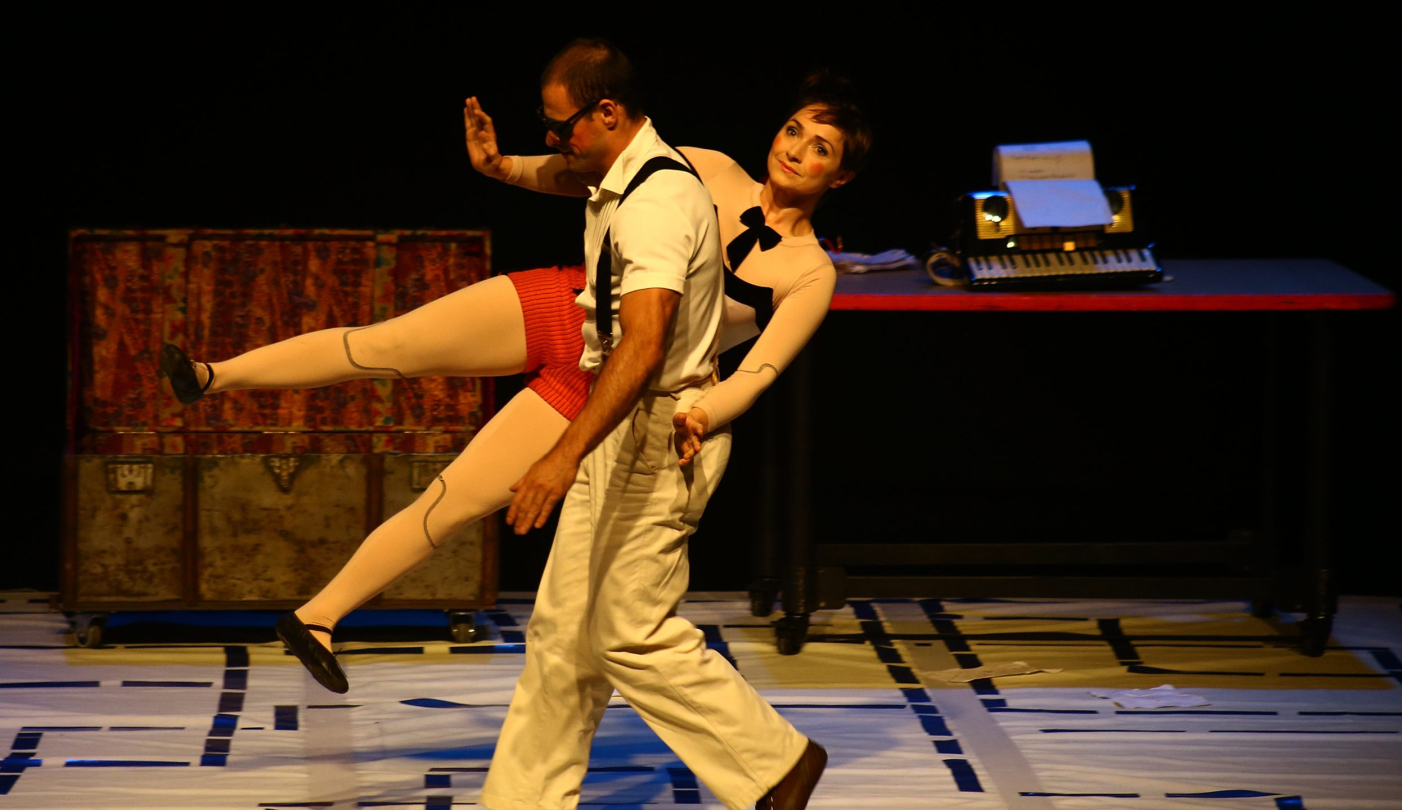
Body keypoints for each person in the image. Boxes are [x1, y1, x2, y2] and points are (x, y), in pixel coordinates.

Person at [161, 41, 870, 810]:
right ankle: (521, 802)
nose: (796, 149)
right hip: (590, 341)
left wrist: (701, 412)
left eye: (820, 147)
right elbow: (578, 172)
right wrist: (503, 167)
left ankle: (776, 764)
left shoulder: (807, 272)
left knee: (613, 625)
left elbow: (753, 370)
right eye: (795, 129)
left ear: (842, 176)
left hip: (656, 408)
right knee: (561, 634)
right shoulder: (697, 166)